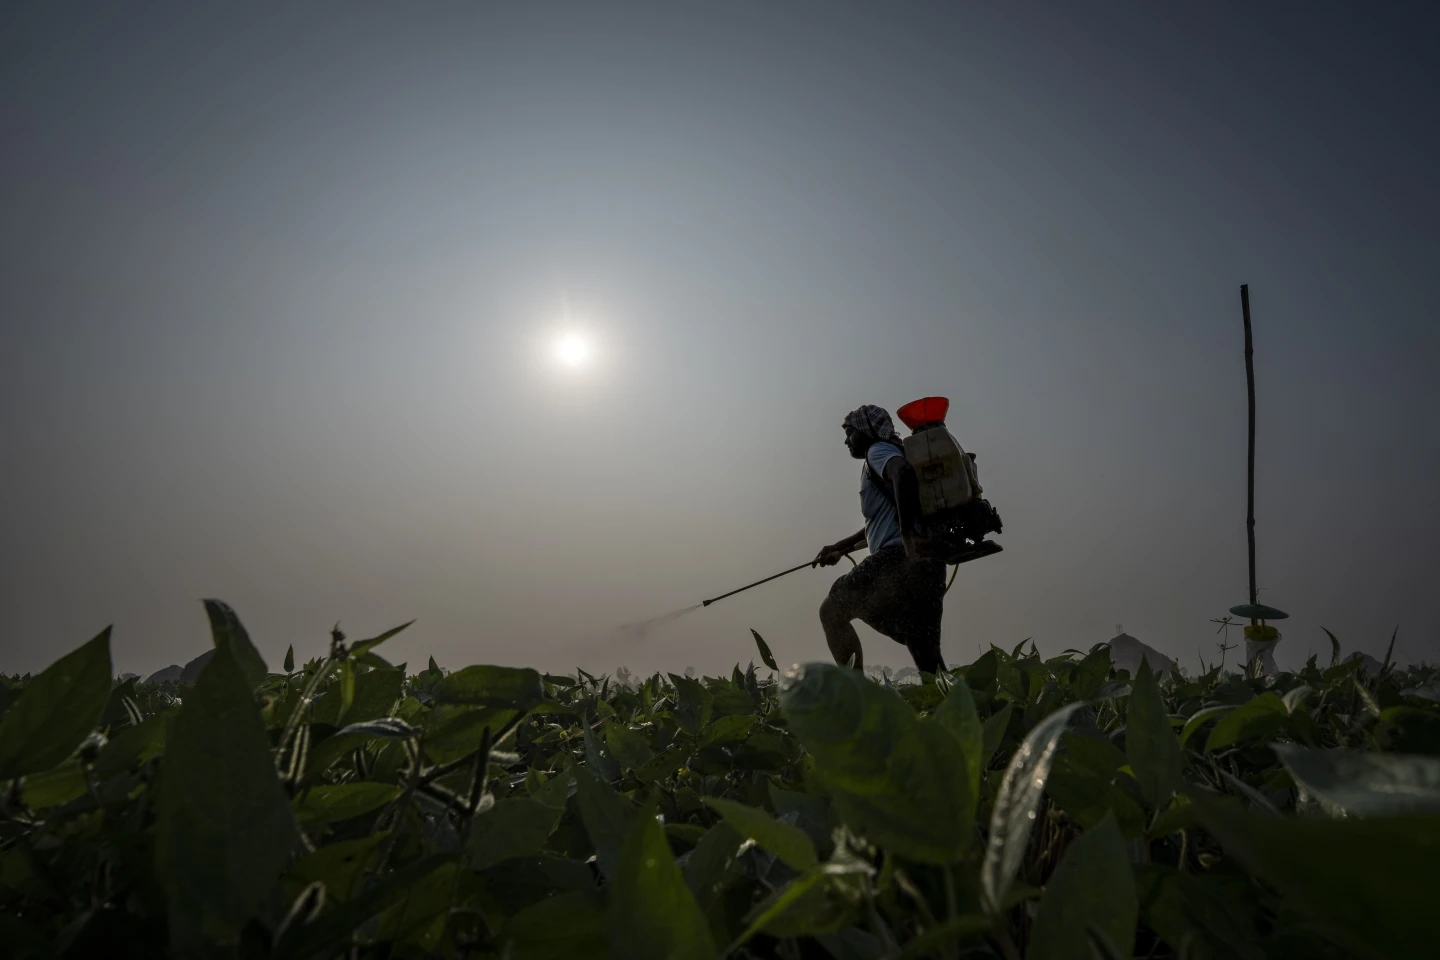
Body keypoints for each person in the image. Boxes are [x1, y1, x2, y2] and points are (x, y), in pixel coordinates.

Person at [812, 405, 948, 675]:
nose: (846, 440)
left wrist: (907, 536)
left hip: (896, 559)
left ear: (867, 432)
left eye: (850, 433)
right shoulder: (891, 455)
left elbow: (903, 473)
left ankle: (860, 696)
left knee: (832, 611)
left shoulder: (879, 451)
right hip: (928, 565)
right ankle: (964, 710)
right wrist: (840, 547)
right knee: (926, 654)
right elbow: (884, 519)